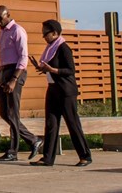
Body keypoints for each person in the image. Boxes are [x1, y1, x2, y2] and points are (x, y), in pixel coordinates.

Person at [30, 19, 92, 167]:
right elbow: (49, 67)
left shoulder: (63, 48)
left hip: (66, 91)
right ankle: (47, 158)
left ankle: (85, 156)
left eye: (46, 33)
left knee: (72, 123)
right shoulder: (50, 48)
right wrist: (41, 68)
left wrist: (53, 70)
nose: (44, 37)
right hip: (52, 89)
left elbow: (70, 70)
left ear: (55, 33)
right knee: (51, 123)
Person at [0, 5, 42, 161]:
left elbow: (23, 57)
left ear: (8, 15)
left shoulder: (18, 30)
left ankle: (13, 151)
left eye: (0, 18)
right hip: (5, 72)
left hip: (15, 73)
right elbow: (3, 61)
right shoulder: (2, 33)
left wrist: (14, 80)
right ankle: (33, 140)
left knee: (12, 113)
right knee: (5, 113)